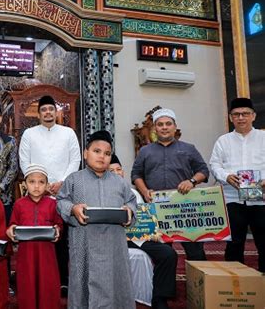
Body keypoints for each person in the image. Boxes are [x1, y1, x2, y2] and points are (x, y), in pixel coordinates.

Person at [56, 130, 137, 308]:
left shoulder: (120, 182)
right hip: (84, 243)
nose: (102, 156)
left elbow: (132, 202)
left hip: (113, 245)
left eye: (107, 153)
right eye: (97, 151)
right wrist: (72, 208)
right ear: (85, 153)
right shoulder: (74, 180)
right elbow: (61, 200)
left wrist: (129, 211)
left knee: (115, 283)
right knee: (83, 286)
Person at [18, 95, 80, 294]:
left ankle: (62, 280)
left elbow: (75, 160)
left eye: (50, 109)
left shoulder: (68, 133)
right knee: (36, 237)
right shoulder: (29, 134)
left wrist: (62, 182)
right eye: (43, 109)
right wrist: (39, 184)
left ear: (56, 112)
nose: (47, 113)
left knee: (60, 237)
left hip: (63, 192)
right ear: (38, 114)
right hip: (37, 192)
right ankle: (34, 279)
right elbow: (24, 161)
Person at [131, 108, 209, 261]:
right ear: (155, 128)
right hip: (157, 208)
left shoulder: (188, 148)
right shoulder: (145, 151)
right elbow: (136, 175)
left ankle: (200, 284)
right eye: (160, 124)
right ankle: (167, 285)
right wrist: (145, 191)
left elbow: (204, 171)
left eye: (168, 124)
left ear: (175, 126)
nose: (164, 127)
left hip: (185, 207)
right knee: (165, 254)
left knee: (195, 251)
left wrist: (191, 181)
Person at [110, 154, 177, 309]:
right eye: (111, 170)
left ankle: (160, 297)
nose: (116, 173)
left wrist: (151, 233)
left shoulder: (134, 193)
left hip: (136, 238)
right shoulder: (100, 193)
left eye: (119, 169)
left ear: (123, 172)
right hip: (113, 238)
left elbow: (144, 218)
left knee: (168, 254)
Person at [210, 97, 265, 272]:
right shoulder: (223, 141)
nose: (241, 118)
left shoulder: (263, 137)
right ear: (230, 117)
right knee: (234, 243)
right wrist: (226, 176)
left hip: (261, 200)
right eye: (236, 114)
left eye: (245, 114)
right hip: (232, 199)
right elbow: (214, 164)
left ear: (253, 116)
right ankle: (235, 284)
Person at [7, 163, 63, 309]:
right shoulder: (19, 204)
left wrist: (57, 230)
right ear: (25, 184)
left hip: (47, 254)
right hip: (26, 254)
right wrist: (11, 230)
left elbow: (59, 225)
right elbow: (13, 224)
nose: (36, 186)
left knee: (47, 286)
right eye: (32, 182)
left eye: (41, 182)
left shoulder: (52, 204)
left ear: (47, 185)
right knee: (28, 285)